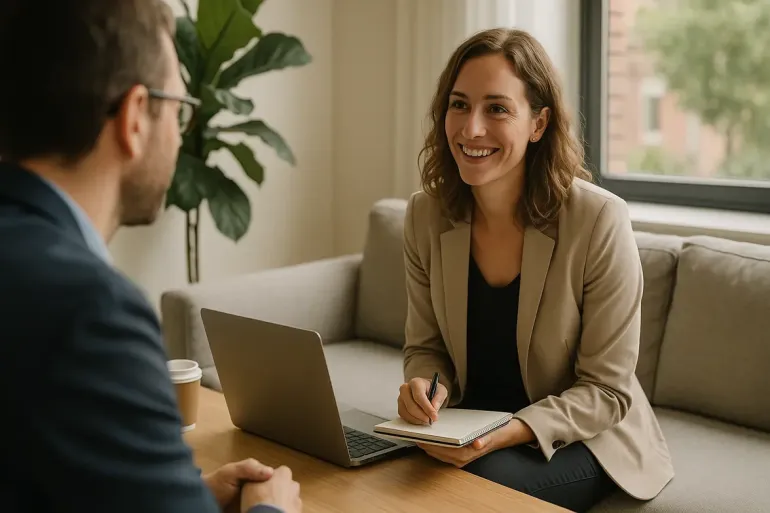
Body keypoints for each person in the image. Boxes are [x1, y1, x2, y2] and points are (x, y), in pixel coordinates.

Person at [0, 1, 301, 512]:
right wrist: (270, 509)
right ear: (136, 116)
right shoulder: (89, 310)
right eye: (179, 109)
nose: (182, 132)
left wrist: (180, 494)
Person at [396, 28, 674, 512]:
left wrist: (499, 434)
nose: (471, 128)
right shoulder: (425, 215)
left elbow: (607, 391)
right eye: (459, 105)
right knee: (384, 471)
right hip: (473, 425)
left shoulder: (599, 221)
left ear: (538, 123)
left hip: (584, 438)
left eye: (497, 108)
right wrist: (424, 388)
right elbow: (426, 348)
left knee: (451, 496)